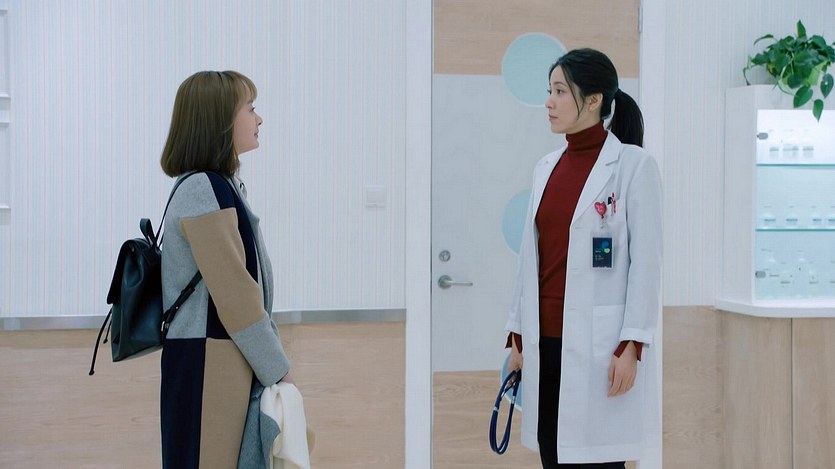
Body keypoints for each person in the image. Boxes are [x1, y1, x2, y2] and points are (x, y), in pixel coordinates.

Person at [504, 48, 661, 468]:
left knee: (597, 459)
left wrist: (632, 344)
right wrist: (517, 335)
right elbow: (530, 261)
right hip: (544, 343)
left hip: (601, 347)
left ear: (593, 100)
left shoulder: (633, 167)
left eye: (560, 91)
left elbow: (647, 266)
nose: (549, 102)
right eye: (549, 91)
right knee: (552, 455)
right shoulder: (546, 167)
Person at [158, 70, 292, 468]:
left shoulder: (221, 184)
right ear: (219, 121)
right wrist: (279, 370)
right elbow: (235, 297)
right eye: (250, 109)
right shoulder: (203, 188)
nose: (259, 119)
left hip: (216, 358)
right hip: (206, 363)